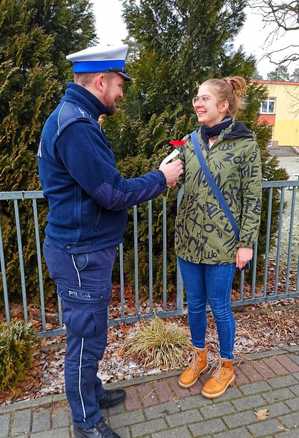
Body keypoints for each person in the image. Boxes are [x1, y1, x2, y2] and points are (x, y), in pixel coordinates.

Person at [38, 44, 183, 438]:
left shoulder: (77, 117)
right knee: (85, 339)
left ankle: (91, 393)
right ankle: (85, 420)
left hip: (82, 250)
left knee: (92, 331)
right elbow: (112, 192)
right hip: (80, 254)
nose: (121, 93)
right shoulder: (77, 127)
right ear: (101, 81)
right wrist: (161, 179)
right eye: (119, 84)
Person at [175, 76, 262, 399]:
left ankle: (226, 366)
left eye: (205, 99)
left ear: (223, 106)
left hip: (224, 245)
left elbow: (252, 198)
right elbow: (177, 176)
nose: (198, 103)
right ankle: (199, 357)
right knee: (195, 306)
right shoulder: (189, 142)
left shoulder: (245, 145)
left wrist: (246, 244)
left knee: (220, 307)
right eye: (197, 98)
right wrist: (168, 178)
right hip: (188, 242)